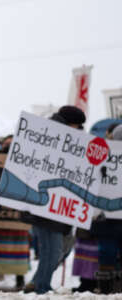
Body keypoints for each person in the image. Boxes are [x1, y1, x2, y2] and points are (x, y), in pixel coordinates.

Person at [23, 105, 86, 294]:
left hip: (58, 204)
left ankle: (40, 284)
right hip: (45, 203)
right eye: (77, 125)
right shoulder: (50, 136)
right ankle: (41, 286)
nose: (79, 129)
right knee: (52, 249)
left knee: (54, 250)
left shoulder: (66, 137)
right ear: (70, 123)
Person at [0, 136, 31, 291]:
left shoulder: (26, 161)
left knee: (18, 248)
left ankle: (20, 279)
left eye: (11, 143)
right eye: (6, 143)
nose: (8, 146)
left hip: (16, 217)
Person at [92, 123, 122, 294]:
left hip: (105, 217)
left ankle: (105, 289)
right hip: (107, 217)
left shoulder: (101, 155)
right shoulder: (104, 156)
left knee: (106, 253)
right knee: (107, 251)